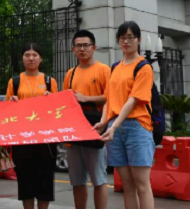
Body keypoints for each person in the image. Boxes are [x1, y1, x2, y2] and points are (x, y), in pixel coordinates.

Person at [94, 21, 155, 209]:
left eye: (130, 37)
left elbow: (133, 100)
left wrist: (113, 126)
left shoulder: (143, 67)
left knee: (142, 184)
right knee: (127, 185)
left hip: (136, 126)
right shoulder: (115, 67)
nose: (126, 41)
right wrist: (104, 121)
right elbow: (109, 98)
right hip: (115, 128)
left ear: (138, 40)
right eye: (122, 38)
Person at [5, 43, 58, 209]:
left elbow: (58, 110)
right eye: (27, 55)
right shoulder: (15, 81)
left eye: (35, 55)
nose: (31, 58)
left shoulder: (49, 81)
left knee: (45, 182)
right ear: (22, 58)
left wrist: (51, 99)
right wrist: (11, 102)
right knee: (25, 182)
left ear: (41, 59)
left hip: (45, 140)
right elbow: (6, 112)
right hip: (23, 139)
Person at [63, 30, 110, 209]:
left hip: (94, 128)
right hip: (74, 130)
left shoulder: (104, 70)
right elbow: (65, 101)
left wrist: (87, 99)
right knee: (77, 181)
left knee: (99, 180)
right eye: (78, 46)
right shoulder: (71, 73)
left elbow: (111, 98)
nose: (82, 49)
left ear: (94, 48)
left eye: (86, 45)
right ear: (73, 49)